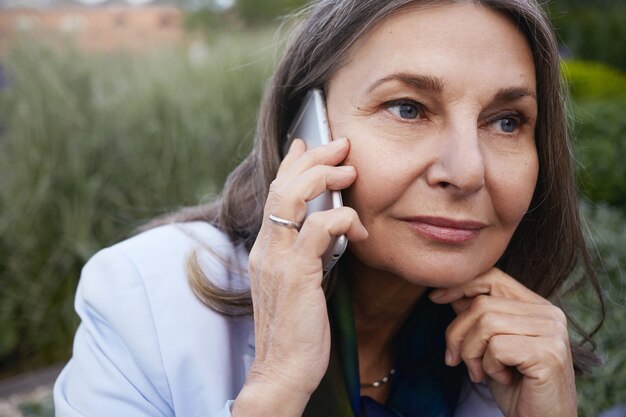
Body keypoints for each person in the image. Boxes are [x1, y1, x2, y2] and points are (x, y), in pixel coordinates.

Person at [54, 1, 604, 416]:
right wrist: (275, 387)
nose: (466, 172)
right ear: (307, 129)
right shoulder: (142, 298)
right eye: (408, 108)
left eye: (506, 121)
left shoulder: (516, 359)